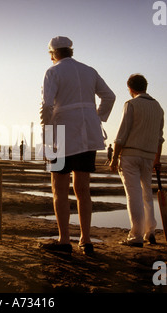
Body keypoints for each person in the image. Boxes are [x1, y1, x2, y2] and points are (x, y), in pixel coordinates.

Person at [39, 36, 115, 254]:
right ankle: (86, 239)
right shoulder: (89, 70)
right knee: (83, 189)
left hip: (61, 133)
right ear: (70, 51)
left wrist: (46, 137)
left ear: (52, 53)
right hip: (88, 133)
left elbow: (46, 106)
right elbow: (109, 96)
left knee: (59, 190)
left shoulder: (52, 72)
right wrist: (96, 117)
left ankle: (64, 240)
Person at [110, 74, 164, 247]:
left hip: (130, 155)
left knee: (133, 195)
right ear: (145, 87)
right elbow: (159, 138)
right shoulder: (158, 108)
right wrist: (156, 159)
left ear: (130, 88)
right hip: (148, 156)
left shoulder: (131, 104)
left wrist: (114, 158)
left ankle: (136, 235)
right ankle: (151, 231)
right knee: (146, 194)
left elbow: (121, 135)